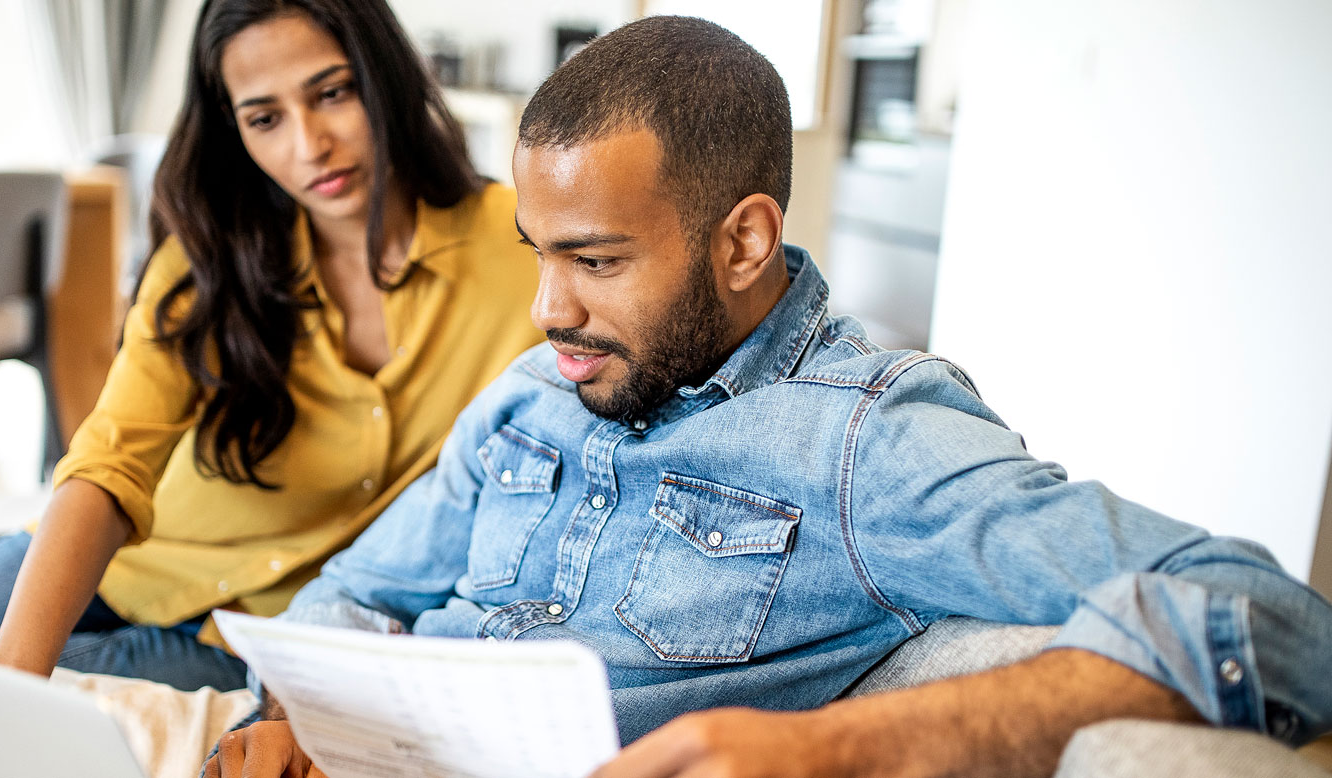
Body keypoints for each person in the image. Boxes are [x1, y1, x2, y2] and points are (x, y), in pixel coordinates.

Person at [201, 15, 1332, 776]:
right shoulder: (535, 395)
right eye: (537, 254)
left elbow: (1275, 620)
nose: (545, 310)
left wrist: (839, 748)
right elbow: (357, 589)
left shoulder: (866, 438)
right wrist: (280, 711)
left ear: (742, 240)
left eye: (595, 262)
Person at [0, 0, 542, 692]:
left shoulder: (525, 247)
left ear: (385, 74)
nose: (308, 145)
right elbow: (109, 462)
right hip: (117, 563)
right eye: (265, 118)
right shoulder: (210, 260)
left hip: (259, 635)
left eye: (333, 93)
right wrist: (15, 676)